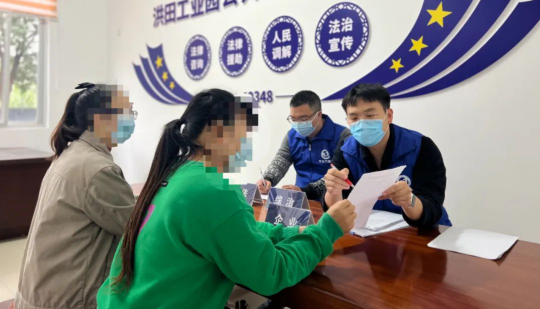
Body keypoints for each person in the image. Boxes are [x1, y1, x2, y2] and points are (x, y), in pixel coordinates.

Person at [97, 89, 356, 309]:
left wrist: (288, 232)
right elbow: (271, 272)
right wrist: (327, 230)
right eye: (242, 135)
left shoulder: (176, 171)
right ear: (219, 132)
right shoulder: (214, 190)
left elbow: (236, 229)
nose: (243, 146)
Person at [15, 83, 137, 309]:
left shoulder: (73, 153)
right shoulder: (98, 169)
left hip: (40, 293)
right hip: (67, 300)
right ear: (101, 119)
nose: (132, 120)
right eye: (128, 113)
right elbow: (135, 227)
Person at [323, 83, 452, 227]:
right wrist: (333, 191)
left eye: (370, 115)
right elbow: (335, 211)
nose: (362, 123)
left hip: (424, 232)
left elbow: (433, 207)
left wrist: (409, 201)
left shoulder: (421, 146)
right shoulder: (346, 149)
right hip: (372, 231)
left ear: (389, 115)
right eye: (354, 118)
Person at [257, 90, 347, 200]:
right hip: (299, 200)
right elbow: (280, 161)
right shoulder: (292, 136)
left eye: (304, 119)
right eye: (293, 119)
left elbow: (338, 175)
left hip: (332, 201)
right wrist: (267, 179)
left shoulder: (342, 136)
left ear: (318, 115)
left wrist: (304, 191)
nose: (298, 124)